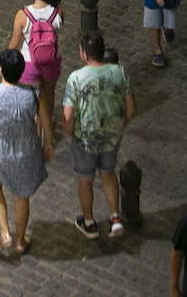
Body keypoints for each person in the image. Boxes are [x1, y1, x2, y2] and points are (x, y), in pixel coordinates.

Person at [0, 48, 52, 258]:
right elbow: (45, 122)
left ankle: (4, 233)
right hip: (26, 151)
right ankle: (20, 240)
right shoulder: (32, 94)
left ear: (1, 70)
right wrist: (49, 144)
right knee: (21, 196)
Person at [63, 30, 136, 240]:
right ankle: (115, 218)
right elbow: (131, 109)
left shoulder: (76, 78)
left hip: (84, 139)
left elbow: (68, 114)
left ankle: (89, 222)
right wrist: (119, 125)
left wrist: (69, 134)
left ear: (84, 54)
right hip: (111, 137)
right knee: (108, 173)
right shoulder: (119, 73)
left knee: (85, 179)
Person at [8, 0, 64, 116]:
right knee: (48, 96)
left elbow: (15, 43)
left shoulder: (22, 14)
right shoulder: (57, 14)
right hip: (51, 63)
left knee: (26, 99)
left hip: (28, 64)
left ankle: (30, 124)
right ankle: (44, 128)